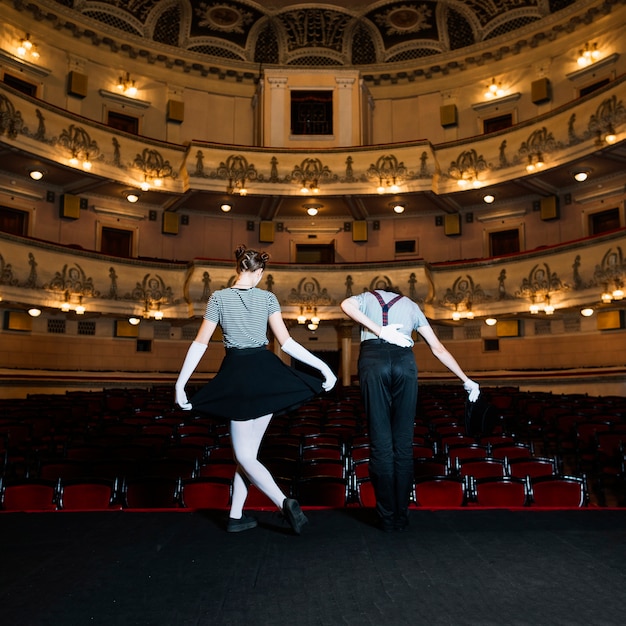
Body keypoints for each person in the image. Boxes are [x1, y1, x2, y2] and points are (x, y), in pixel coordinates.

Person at [175, 245, 337, 534]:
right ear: (260, 272)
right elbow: (287, 343)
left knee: (245, 457)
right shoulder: (268, 298)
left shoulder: (218, 298)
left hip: (237, 374)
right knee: (248, 455)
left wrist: (181, 384)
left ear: (238, 268)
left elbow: (199, 344)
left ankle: (284, 502)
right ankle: (236, 516)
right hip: (265, 373)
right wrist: (323, 367)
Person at [340, 289, 479, 532]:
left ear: (381, 290)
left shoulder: (366, 297)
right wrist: (466, 380)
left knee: (381, 444)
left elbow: (345, 305)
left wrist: (380, 331)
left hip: (373, 358)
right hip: (405, 361)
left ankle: (386, 517)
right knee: (403, 444)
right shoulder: (412, 305)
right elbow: (438, 349)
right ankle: (401, 517)